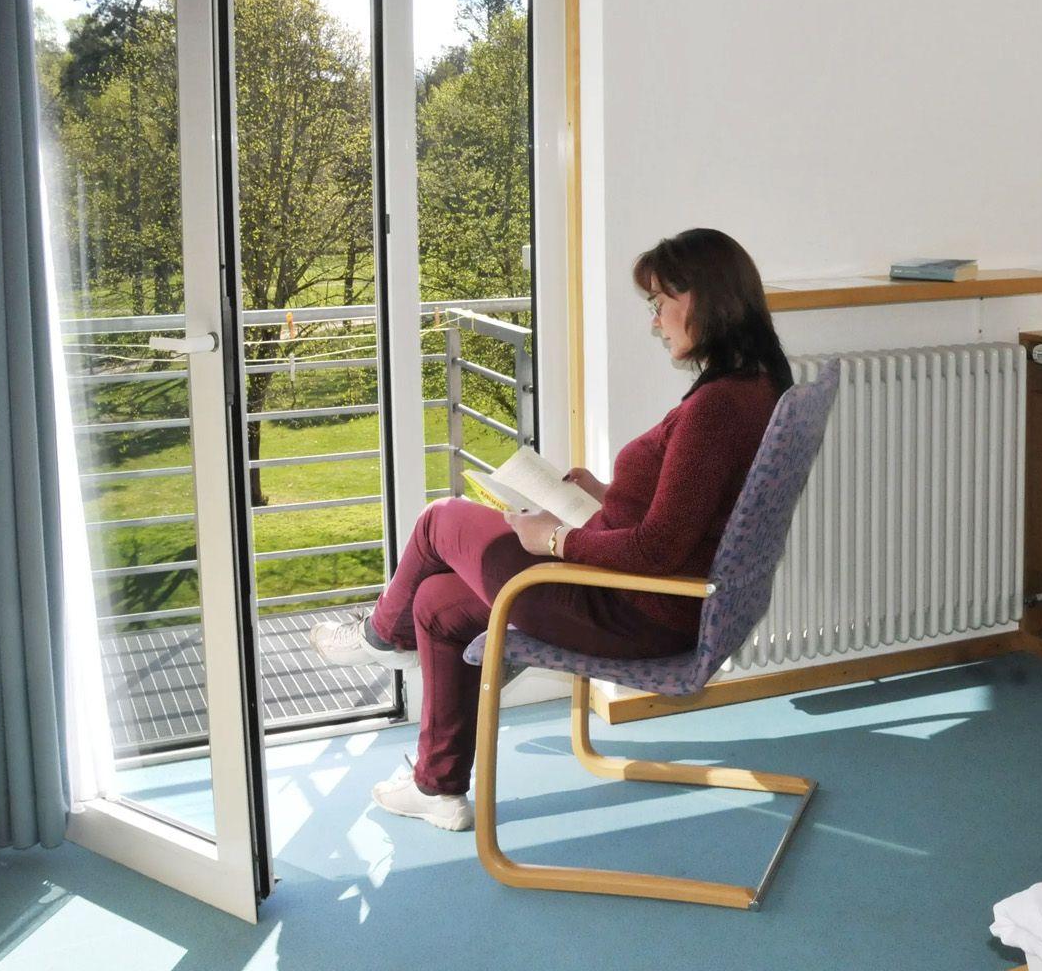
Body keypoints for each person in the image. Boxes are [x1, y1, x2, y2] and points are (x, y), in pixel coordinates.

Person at [309, 228, 792, 830]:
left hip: (635, 612)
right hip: (647, 597)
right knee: (437, 601)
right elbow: (691, 516)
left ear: (704, 300)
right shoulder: (757, 386)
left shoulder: (716, 408)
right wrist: (604, 497)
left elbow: (660, 547)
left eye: (659, 303)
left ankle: (381, 636)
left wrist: (556, 539)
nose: (655, 321)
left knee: (440, 520)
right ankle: (437, 787)